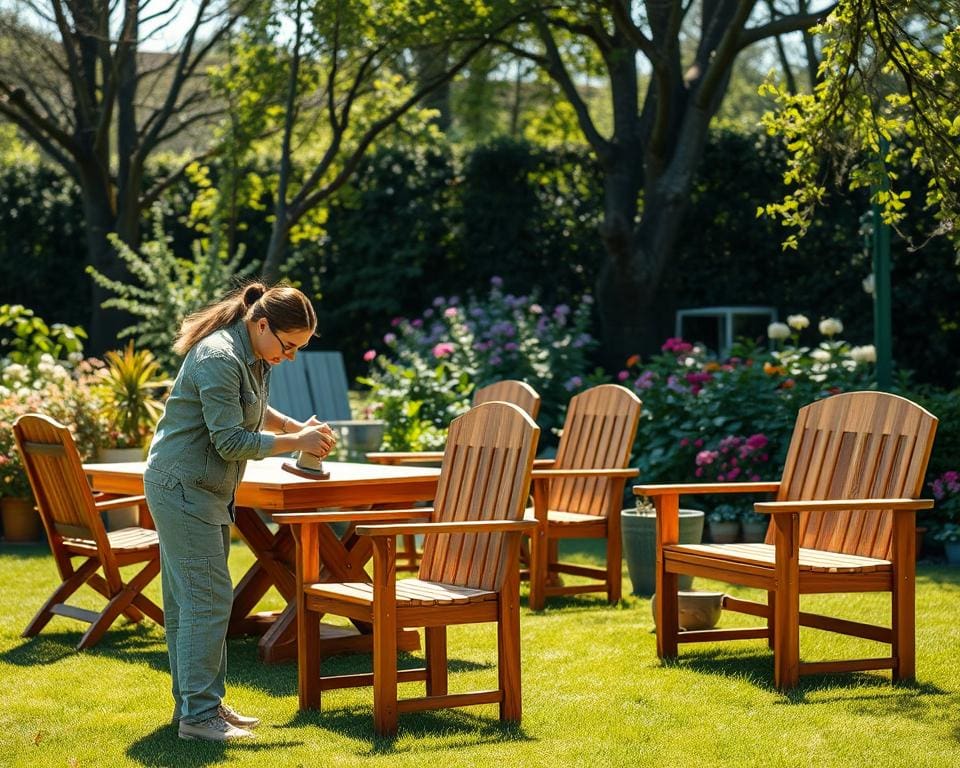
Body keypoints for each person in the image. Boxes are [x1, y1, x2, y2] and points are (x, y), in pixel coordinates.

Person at [143, 281, 336, 742]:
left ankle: (198, 705)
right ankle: (199, 716)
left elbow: (254, 408)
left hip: (198, 487)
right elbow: (229, 441)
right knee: (206, 601)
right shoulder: (219, 357)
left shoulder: (251, 352)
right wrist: (297, 444)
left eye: (298, 350)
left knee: (192, 602)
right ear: (262, 324)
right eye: (288, 346)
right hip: (184, 487)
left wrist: (292, 426)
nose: (289, 357)